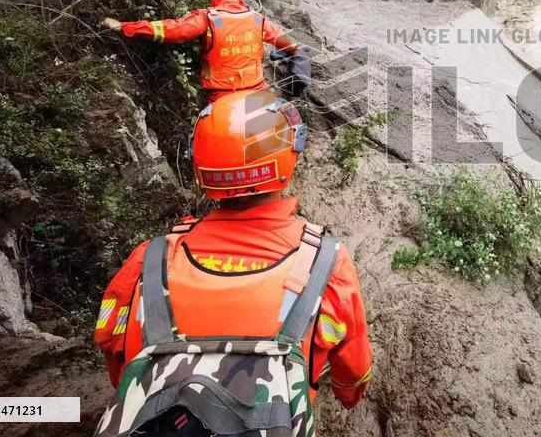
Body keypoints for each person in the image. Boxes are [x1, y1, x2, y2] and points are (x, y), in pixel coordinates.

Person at [94, 90, 372, 437]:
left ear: (201, 166)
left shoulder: (149, 260)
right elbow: (353, 369)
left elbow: (114, 352)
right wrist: (347, 394)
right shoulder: (325, 263)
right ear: (287, 159)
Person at [101, 0, 307, 102]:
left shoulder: (207, 18)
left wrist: (127, 27)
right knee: (273, 133)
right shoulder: (256, 19)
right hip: (256, 91)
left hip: (220, 97)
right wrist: (294, 49)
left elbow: (172, 30)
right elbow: (282, 40)